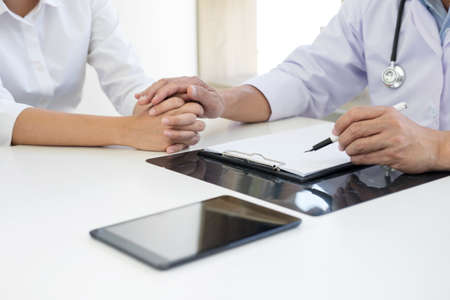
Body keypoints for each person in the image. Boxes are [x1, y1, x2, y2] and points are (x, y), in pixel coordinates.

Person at [136, 0, 450, 174]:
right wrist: (221, 100)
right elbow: (308, 77)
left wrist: (437, 148)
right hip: (401, 194)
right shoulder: (376, 5)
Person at [0, 0, 204, 153]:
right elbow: (4, 116)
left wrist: (166, 115)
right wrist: (129, 130)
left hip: (63, 157)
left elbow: (128, 81)